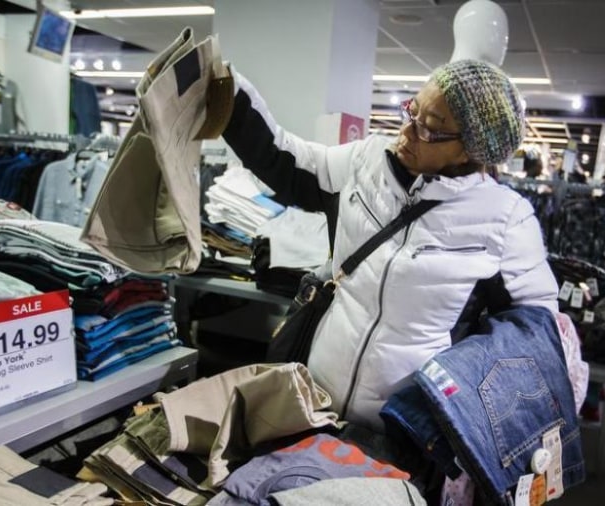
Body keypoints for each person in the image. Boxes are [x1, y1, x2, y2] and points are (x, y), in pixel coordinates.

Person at [221, 59, 559, 430]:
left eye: (430, 128)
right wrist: (230, 95)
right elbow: (287, 161)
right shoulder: (365, 163)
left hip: (406, 434)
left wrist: (457, 389)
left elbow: (531, 335)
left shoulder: (505, 220)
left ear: (470, 152)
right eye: (412, 111)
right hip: (313, 401)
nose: (407, 132)